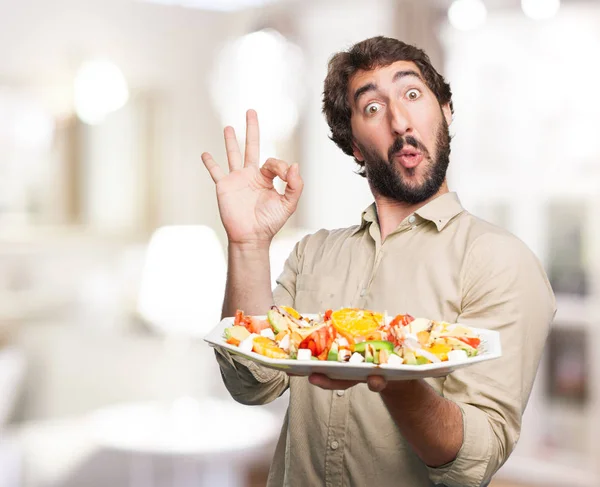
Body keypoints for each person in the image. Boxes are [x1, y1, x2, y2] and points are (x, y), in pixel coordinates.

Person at [201, 36, 555, 487]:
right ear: (354, 146)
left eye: (412, 94)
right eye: (372, 107)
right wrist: (248, 246)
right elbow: (253, 384)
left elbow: (474, 462)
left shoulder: (502, 261)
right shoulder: (314, 252)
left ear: (445, 111)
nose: (400, 120)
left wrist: (392, 375)